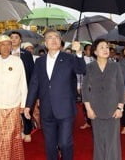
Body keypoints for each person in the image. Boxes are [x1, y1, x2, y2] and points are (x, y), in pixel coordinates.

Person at [24, 29, 86, 160]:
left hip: (66, 109)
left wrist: (79, 52)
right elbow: (34, 84)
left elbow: (81, 70)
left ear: (60, 41)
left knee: (65, 143)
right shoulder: (40, 61)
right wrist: (28, 105)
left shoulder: (69, 58)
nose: (53, 40)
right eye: (50, 37)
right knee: (50, 145)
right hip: (46, 109)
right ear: (45, 43)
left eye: (56, 37)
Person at [82, 39, 125, 160]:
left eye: (106, 47)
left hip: (113, 109)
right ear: (95, 52)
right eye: (102, 47)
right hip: (96, 110)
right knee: (99, 142)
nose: (106, 49)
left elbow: (121, 88)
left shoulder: (115, 66)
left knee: (113, 143)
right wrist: (88, 109)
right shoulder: (89, 67)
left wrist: (120, 108)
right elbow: (85, 89)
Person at [10, 30, 35, 142]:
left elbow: (32, 71)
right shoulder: (5, 53)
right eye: (12, 37)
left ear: (20, 40)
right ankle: (12, 132)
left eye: (16, 37)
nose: (14, 39)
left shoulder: (27, 54)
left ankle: (27, 132)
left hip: (24, 87)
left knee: (25, 110)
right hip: (9, 88)